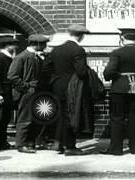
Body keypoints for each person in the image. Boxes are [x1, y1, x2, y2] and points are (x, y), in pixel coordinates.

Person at [101, 27, 135, 155]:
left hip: (119, 88)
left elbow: (109, 71)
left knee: (117, 118)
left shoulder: (117, 52)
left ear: (122, 38)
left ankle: (116, 149)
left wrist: (109, 77)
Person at [48, 24, 91, 156]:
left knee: (60, 115)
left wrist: (55, 80)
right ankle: (70, 147)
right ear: (81, 36)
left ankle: (58, 143)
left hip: (57, 86)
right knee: (71, 115)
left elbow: (46, 68)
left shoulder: (56, 49)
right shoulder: (78, 50)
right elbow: (81, 72)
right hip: (72, 88)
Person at [7, 34, 49, 153]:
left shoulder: (35, 56)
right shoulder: (22, 57)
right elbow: (12, 76)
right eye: (43, 44)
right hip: (26, 93)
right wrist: (26, 87)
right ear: (37, 44)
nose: (45, 47)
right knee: (25, 118)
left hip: (34, 92)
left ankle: (30, 142)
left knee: (34, 118)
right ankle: (21, 144)